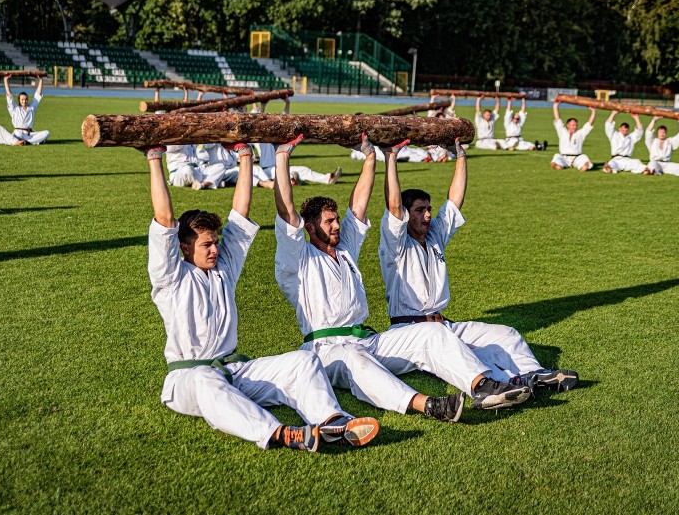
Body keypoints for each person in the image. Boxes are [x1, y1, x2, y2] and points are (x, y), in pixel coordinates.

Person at [273, 134, 531, 421]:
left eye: (336, 220)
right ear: (309, 227)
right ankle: (429, 405)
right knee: (356, 360)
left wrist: (370, 156)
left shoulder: (345, 251)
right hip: (327, 350)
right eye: (329, 222)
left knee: (433, 333)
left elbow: (358, 206)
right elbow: (286, 212)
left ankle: (483, 386)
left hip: (368, 340)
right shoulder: (298, 260)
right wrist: (282, 157)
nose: (337, 226)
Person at [143, 142, 379, 452]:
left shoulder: (224, 269)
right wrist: (155, 157)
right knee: (205, 379)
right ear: (184, 248)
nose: (216, 249)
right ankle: (282, 433)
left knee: (303, 360)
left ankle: (333, 420)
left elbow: (240, 216)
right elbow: (163, 218)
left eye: (216, 242)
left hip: (234, 370)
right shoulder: (170, 277)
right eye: (206, 245)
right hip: (188, 379)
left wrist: (243, 154)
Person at [379, 136, 579, 392]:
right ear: (406, 216)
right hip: (408, 330)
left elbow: (454, 202)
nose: (428, 215)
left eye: (428, 209)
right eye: (420, 210)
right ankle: (493, 387)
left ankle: (534, 374)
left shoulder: (435, 236)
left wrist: (460, 156)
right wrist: (391, 158)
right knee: (461, 352)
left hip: (442, 323)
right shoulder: (396, 244)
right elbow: (394, 205)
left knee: (505, 334)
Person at [251, 99, 341, 187]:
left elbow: (285, 118)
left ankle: (328, 179)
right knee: (288, 175)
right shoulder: (262, 137)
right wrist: (263, 105)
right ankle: (293, 181)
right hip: (268, 170)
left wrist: (287, 102)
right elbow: (259, 120)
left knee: (304, 170)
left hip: (281, 165)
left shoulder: (279, 134)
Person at [4, 74, 50, 144]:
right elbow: (9, 96)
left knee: (47, 133)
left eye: (26, 99)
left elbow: (37, 96)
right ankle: (34, 141)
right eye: (22, 99)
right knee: (18, 133)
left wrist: (40, 80)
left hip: (29, 134)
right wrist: (5, 80)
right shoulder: (15, 109)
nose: (24, 101)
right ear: (19, 100)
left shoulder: (31, 108)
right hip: (18, 133)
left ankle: (27, 142)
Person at [551, 99, 596, 171]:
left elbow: (589, 124)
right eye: (573, 125)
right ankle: (558, 165)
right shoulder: (562, 131)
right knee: (556, 156)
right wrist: (555, 105)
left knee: (584, 158)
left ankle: (583, 166)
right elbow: (557, 118)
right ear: (568, 125)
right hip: (564, 157)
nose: (575, 127)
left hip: (576, 158)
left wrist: (593, 111)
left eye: (576, 125)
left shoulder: (580, 133)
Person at [603, 111, 648, 175]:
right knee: (612, 164)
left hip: (627, 160)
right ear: (619, 129)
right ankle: (608, 168)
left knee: (637, 162)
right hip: (616, 159)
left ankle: (644, 170)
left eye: (626, 131)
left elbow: (639, 130)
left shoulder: (631, 137)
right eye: (623, 130)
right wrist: (613, 113)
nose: (624, 132)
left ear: (628, 130)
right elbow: (608, 125)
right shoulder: (614, 135)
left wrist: (636, 117)